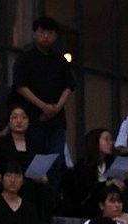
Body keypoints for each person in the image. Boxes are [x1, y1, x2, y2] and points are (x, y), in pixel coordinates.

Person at [12, 16, 74, 193]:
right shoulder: (25, 58)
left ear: (55, 36)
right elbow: (20, 86)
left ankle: (52, 201)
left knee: (56, 161)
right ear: (34, 34)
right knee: (34, 164)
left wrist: (56, 107)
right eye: (42, 32)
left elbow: (69, 86)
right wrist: (43, 106)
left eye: (50, 33)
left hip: (56, 122)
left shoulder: (61, 60)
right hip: (33, 120)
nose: (45, 36)